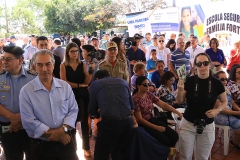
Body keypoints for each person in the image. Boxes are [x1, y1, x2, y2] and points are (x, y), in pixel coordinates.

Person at [19, 49, 78, 160]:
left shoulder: (65, 86)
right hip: (41, 146)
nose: (44, 69)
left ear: (53, 64)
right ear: (34, 66)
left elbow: (73, 110)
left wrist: (62, 130)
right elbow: (28, 120)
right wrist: (57, 136)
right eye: (40, 65)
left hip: (66, 141)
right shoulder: (26, 91)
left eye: (48, 64)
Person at [176, 53, 227, 160]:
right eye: (199, 64)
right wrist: (180, 91)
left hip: (207, 125)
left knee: (203, 157)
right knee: (185, 156)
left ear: (210, 64)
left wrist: (217, 111)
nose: (202, 66)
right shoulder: (189, 80)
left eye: (205, 63)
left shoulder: (217, 83)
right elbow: (180, 101)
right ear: (195, 66)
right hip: (188, 124)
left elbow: (224, 102)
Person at [0, 46, 36, 160]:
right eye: (3, 58)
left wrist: (21, 118)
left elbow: (39, 103)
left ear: (20, 60)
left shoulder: (33, 79)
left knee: (34, 156)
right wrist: (12, 117)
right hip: (7, 129)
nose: (4, 62)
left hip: (30, 128)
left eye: (8, 59)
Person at [88, 70, 134, 160]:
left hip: (110, 123)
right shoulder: (122, 82)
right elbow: (132, 106)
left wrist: (98, 113)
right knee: (119, 153)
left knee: (101, 154)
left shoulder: (96, 84)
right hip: (127, 122)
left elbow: (91, 111)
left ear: (96, 78)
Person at [60, 42, 93, 156]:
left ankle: (86, 147)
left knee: (85, 123)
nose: (74, 54)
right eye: (72, 51)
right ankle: (73, 148)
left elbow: (87, 82)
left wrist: (91, 71)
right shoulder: (63, 65)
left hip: (83, 96)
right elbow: (64, 82)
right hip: (70, 96)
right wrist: (79, 85)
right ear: (68, 53)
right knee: (71, 123)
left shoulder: (82, 64)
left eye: (76, 51)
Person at [132, 76, 181, 147]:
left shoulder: (148, 94)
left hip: (151, 119)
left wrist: (177, 112)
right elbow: (140, 120)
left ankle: (167, 153)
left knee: (174, 136)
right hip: (143, 124)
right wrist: (156, 127)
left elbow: (163, 104)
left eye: (148, 84)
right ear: (138, 86)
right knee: (165, 141)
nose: (147, 87)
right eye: (145, 85)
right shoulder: (135, 99)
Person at [214, 71, 240, 150]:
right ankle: (236, 143)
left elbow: (232, 102)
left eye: (226, 79)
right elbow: (220, 109)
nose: (225, 81)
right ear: (216, 80)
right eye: (222, 79)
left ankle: (236, 142)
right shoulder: (214, 91)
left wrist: (239, 109)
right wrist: (236, 113)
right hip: (219, 115)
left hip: (230, 112)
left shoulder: (225, 88)